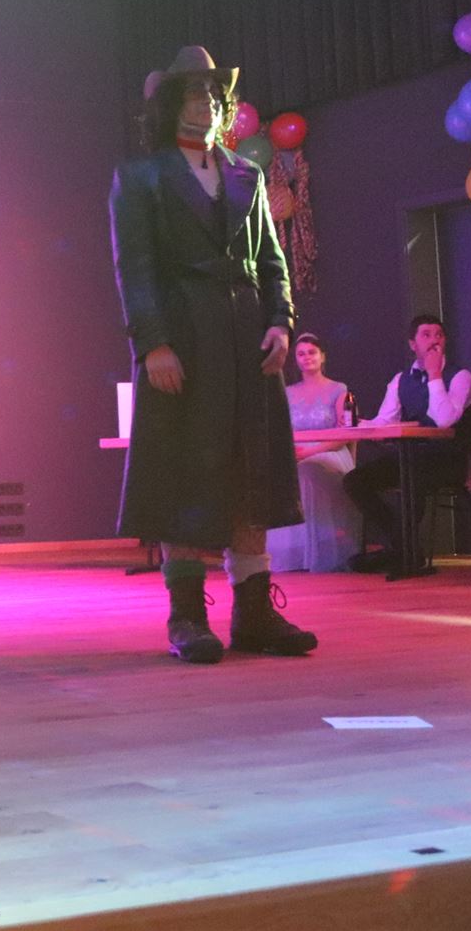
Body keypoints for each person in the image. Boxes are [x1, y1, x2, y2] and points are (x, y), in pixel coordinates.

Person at [108, 45, 319, 663]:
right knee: (184, 474)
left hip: (247, 342)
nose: (206, 103)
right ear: (172, 103)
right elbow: (134, 269)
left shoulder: (247, 174)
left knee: (251, 474)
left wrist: (281, 324)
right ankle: (187, 616)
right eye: (194, 92)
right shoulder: (141, 177)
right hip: (183, 339)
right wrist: (153, 344)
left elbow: (273, 263)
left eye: (213, 94)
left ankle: (253, 614)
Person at [343, 314, 471, 573]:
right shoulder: (400, 379)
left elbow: (444, 420)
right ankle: (405, 547)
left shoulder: (460, 377)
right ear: (413, 344)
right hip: (411, 457)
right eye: (426, 335)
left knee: (412, 476)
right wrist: (358, 424)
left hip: (447, 460)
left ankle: (402, 552)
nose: (434, 341)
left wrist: (435, 374)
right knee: (355, 481)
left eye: (439, 335)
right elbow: (385, 421)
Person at [265, 332, 363, 573]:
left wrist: (311, 452)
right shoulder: (287, 392)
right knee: (278, 471)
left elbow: (345, 432)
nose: (307, 357)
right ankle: (293, 553)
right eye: (301, 354)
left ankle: (323, 552)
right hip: (295, 451)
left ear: (322, 356)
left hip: (329, 450)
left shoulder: (338, 389)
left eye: (312, 352)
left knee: (309, 470)